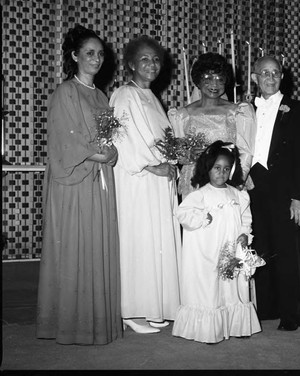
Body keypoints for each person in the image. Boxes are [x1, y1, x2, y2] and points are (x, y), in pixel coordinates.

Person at [36, 24, 121, 345]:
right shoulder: (64, 92)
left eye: (100, 54)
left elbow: (107, 139)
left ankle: (96, 323)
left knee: (96, 243)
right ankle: (70, 324)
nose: (96, 59)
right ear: (74, 56)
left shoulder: (100, 95)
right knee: (74, 246)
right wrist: (100, 155)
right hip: (73, 182)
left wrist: (111, 153)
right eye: (89, 53)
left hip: (98, 181)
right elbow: (63, 142)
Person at [109, 36, 181, 333]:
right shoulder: (124, 94)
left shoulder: (151, 96)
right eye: (145, 60)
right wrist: (154, 165)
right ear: (130, 64)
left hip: (157, 179)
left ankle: (154, 305)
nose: (151, 65)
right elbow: (125, 140)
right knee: (139, 241)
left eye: (155, 60)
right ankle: (131, 310)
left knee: (156, 243)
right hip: (138, 180)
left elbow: (162, 139)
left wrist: (173, 163)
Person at [249, 56, 300, 331]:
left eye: (275, 72)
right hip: (253, 186)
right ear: (255, 78)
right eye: (264, 73)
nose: (270, 77)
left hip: (285, 190)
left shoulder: (298, 109)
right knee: (260, 249)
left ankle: (292, 313)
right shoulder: (243, 109)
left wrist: (299, 196)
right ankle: (266, 307)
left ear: (282, 77)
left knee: (288, 252)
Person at [172, 141, 262, 344]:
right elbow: (182, 213)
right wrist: (203, 218)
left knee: (232, 286)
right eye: (217, 168)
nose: (221, 173)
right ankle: (208, 329)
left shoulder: (238, 194)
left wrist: (244, 234)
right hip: (208, 251)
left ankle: (236, 325)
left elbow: (245, 218)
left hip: (230, 250)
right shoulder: (200, 194)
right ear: (208, 169)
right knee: (210, 287)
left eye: (226, 169)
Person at [168, 52, 256, 198]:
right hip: (195, 183)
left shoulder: (239, 112)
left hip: (227, 180)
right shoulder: (182, 115)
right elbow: (178, 153)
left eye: (219, 79)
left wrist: (236, 180)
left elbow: (245, 150)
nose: (214, 84)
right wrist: (188, 155)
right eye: (208, 78)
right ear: (198, 80)